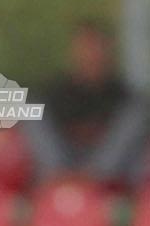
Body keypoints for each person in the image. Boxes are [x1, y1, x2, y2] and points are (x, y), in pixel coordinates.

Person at [26, 22, 150, 186]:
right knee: (30, 108)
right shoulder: (55, 92)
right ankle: (62, 180)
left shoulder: (123, 95)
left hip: (109, 168)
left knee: (138, 112)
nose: (91, 55)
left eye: (96, 50)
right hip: (62, 163)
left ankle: (90, 180)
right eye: (86, 50)